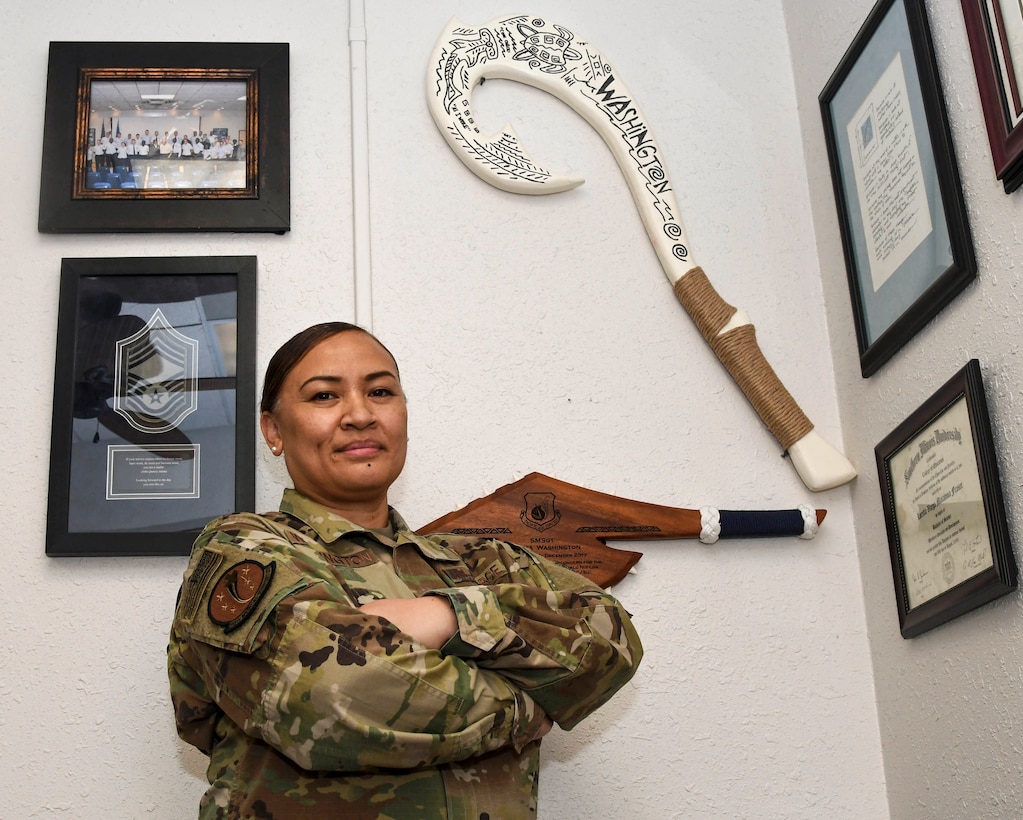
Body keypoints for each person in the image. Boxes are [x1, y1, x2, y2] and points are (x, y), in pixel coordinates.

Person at [167, 322, 643, 819]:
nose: (360, 414)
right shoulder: (245, 550)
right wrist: (531, 704)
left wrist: (450, 616)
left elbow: (612, 637)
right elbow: (334, 694)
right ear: (274, 431)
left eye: (380, 391)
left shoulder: (478, 561)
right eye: (325, 396)